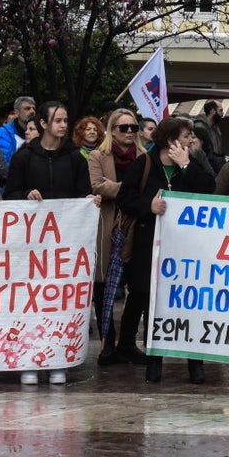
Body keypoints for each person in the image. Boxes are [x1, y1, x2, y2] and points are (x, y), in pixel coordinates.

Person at [117, 116, 216, 384]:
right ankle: (154, 363)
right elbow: (126, 198)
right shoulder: (145, 163)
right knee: (154, 303)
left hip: (187, 249)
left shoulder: (192, 165)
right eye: (186, 136)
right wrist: (148, 206)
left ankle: (195, 364)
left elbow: (209, 190)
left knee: (189, 305)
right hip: (151, 247)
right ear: (172, 140)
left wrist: (185, 166)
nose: (191, 141)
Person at [4, 100, 96, 386]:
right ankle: (28, 360)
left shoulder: (76, 158)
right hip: (30, 246)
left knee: (59, 303)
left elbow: (84, 195)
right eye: (58, 120)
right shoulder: (24, 158)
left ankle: (58, 359)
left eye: (66, 120)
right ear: (43, 123)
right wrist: (26, 196)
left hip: (65, 246)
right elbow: (10, 195)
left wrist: (90, 203)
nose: (63, 125)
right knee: (29, 303)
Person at [89, 109, 148, 365]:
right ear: (112, 130)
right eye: (123, 127)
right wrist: (130, 188)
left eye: (133, 128)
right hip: (108, 227)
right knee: (103, 287)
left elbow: (149, 190)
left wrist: (116, 189)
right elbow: (95, 186)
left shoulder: (146, 157)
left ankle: (127, 342)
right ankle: (107, 343)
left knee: (139, 287)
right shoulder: (97, 156)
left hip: (138, 226)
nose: (128, 132)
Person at [0, 96, 35, 170]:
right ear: (17, 113)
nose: (32, 111)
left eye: (34, 108)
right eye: (27, 108)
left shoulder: (41, 134)